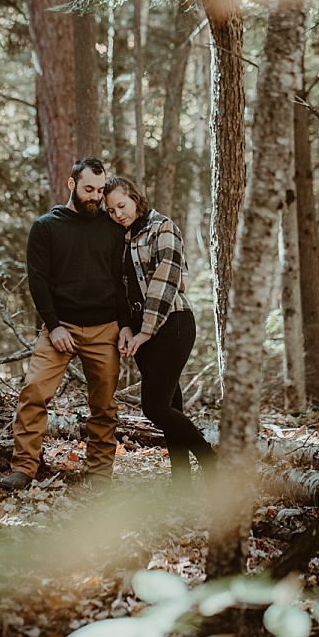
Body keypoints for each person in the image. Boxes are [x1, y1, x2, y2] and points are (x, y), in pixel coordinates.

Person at [0, 156, 126, 492]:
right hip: (60, 326)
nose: (96, 197)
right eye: (88, 189)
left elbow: (121, 280)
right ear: (71, 184)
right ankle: (24, 467)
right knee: (34, 391)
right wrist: (53, 326)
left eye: (100, 190)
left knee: (104, 406)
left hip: (105, 329)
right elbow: (37, 281)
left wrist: (124, 326)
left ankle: (99, 475)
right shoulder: (46, 227)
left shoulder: (112, 228)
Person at [104, 175, 215, 484]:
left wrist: (145, 331)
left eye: (122, 206)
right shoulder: (122, 238)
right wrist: (126, 327)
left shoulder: (163, 228)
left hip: (172, 324)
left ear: (136, 199)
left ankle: (211, 462)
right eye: (111, 210)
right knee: (170, 405)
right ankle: (181, 482)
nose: (118, 214)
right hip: (142, 331)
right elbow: (121, 289)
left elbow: (165, 282)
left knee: (154, 408)